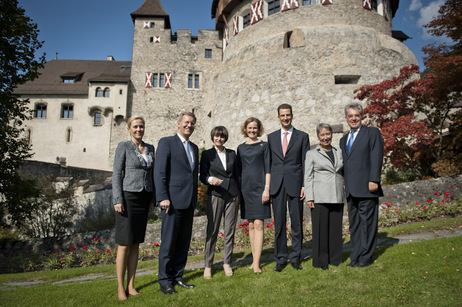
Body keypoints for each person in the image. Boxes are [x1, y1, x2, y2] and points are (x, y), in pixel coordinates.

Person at [154, 111, 199, 294]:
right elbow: (160, 172)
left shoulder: (194, 148)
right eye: (186, 122)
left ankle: (177, 276)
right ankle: (164, 280)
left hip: (188, 202)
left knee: (183, 242)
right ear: (178, 123)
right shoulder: (167, 143)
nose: (189, 125)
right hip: (171, 201)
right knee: (168, 243)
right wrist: (162, 197)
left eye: (192, 123)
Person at [112, 116, 155, 301]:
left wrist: (153, 197)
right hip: (128, 198)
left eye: (141, 126)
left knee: (136, 243)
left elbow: (152, 174)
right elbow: (116, 174)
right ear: (129, 129)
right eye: (135, 127)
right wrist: (117, 199)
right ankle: (121, 288)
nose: (139, 129)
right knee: (124, 244)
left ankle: (131, 285)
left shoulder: (151, 148)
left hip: (144, 198)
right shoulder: (123, 147)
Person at [339, 102, 384, 268]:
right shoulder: (344, 140)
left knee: (368, 224)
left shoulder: (372, 133)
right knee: (355, 224)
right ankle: (356, 254)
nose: (353, 118)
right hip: (351, 189)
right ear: (346, 118)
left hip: (367, 187)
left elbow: (376, 156)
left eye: (356, 115)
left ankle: (366, 256)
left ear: (362, 116)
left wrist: (374, 179)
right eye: (350, 116)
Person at [268, 104, 310, 272]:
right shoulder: (271, 137)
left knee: (296, 223)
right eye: (282, 115)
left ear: (292, 116)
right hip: (277, 184)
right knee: (279, 223)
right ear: (278, 117)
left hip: (295, 183)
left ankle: (295, 257)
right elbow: (269, 163)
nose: (285, 118)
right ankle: (280, 258)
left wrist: (305, 185)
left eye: (288, 115)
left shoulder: (302, 136)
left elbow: (306, 162)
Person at [200, 126, 240, 279]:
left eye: (222, 137)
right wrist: (211, 180)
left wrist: (239, 194)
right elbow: (202, 175)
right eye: (216, 136)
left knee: (229, 230)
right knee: (213, 230)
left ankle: (227, 263)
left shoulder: (232, 153)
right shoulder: (207, 154)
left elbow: (237, 175)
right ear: (213, 137)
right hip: (215, 194)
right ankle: (208, 265)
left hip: (232, 195)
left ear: (225, 138)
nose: (219, 139)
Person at [304, 123, 345, 271]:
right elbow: (307, 177)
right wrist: (310, 197)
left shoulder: (339, 152)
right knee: (321, 230)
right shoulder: (312, 154)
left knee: (335, 230)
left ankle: (335, 259)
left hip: (337, 194)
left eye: (328, 134)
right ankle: (321, 261)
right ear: (318, 136)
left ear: (331, 134)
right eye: (322, 135)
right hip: (320, 196)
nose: (326, 137)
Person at [237, 117, 271, 274]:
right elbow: (239, 171)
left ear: (259, 129)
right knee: (250, 225)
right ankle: (253, 261)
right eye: (249, 128)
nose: (252, 130)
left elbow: (268, 169)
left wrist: (266, 189)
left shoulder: (264, 146)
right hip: (246, 190)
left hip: (260, 189)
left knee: (258, 224)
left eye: (255, 128)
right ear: (245, 129)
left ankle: (257, 263)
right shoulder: (241, 148)